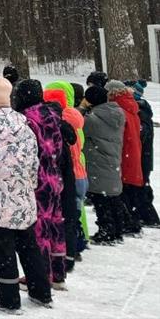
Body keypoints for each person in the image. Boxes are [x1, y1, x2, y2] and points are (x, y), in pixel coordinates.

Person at [0, 75, 51, 312]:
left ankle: (8, 297)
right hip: (24, 198)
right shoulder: (25, 128)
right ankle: (41, 291)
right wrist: (28, 186)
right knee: (28, 245)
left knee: (3, 250)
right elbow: (35, 162)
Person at [12, 79, 67, 289]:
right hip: (54, 175)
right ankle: (58, 270)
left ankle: (42, 273)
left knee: (39, 227)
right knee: (55, 223)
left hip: (39, 178)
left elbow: (29, 152)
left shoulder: (27, 120)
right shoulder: (53, 115)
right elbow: (59, 147)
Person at [45, 81, 89, 260]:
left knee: (67, 215)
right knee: (76, 210)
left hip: (67, 172)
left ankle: (73, 247)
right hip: (79, 170)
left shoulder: (57, 123)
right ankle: (80, 240)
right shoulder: (76, 119)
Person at [41, 88, 82, 275]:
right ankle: (70, 254)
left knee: (54, 220)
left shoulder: (47, 123)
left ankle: (57, 261)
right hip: (71, 174)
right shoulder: (69, 122)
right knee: (70, 216)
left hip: (53, 177)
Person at [81, 84, 126, 244]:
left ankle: (106, 232)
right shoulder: (116, 114)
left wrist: (81, 107)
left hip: (98, 165)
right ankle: (117, 230)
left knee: (102, 202)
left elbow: (77, 123)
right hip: (112, 162)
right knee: (113, 200)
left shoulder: (93, 120)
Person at [106, 80, 145, 235]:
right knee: (129, 189)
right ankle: (132, 220)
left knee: (123, 190)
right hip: (133, 151)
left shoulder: (118, 110)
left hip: (124, 153)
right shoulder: (131, 107)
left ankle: (128, 223)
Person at [129, 80, 159, 226]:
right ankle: (143, 214)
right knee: (140, 186)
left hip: (142, 156)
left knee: (142, 186)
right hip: (140, 155)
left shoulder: (142, 111)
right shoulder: (140, 110)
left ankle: (149, 217)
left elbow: (142, 133)